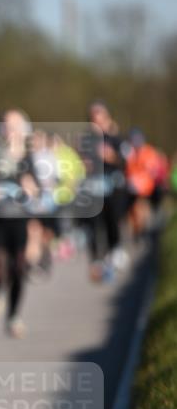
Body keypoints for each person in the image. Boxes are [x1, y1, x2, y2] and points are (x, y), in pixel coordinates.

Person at [0, 109, 39, 338]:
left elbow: (36, 189)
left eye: (14, 125)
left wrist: (30, 188)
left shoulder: (27, 157)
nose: (10, 129)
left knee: (18, 267)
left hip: (19, 218)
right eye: (6, 124)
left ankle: (14, 315)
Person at [82, 101, 127, 282]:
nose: (97, 122)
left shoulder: (116, 139)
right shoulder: (86, 140)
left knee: (112, 224)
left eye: (100, 118)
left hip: (112, 188)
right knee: (93, 226)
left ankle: (112, 255)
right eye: (94, 119)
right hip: (93, 189)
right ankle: (96, 262)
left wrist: (112, 157)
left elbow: (125, 162)